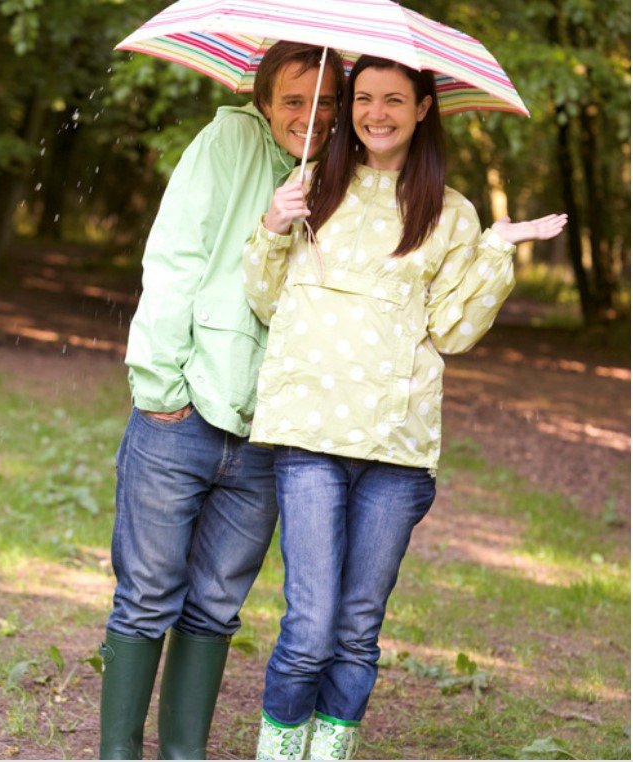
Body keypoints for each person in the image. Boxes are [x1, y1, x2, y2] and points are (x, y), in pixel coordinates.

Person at [243, 55, 567, 760]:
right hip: (309, 438)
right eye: (364, 98)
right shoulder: (308, 187)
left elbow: (452, 330)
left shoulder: (450, 213)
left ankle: (331, 751)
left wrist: (496, 250)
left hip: (396, 450)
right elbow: (268, 303)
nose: (377, 113)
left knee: (358, 627)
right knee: (309, 623)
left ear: (424, 108)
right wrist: (273, 226)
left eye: (395, 99)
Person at [99, 41, 345, 760]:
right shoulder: (226, 142)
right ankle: (119, 754)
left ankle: (183, 754)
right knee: (147, 596)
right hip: (185, 409)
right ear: (264, 101)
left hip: (272, 430)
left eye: (324, 101)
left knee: (215, 605)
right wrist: (159, 385)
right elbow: (174, 255)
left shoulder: (341, 174)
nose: (310, 115)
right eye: (293, 100)